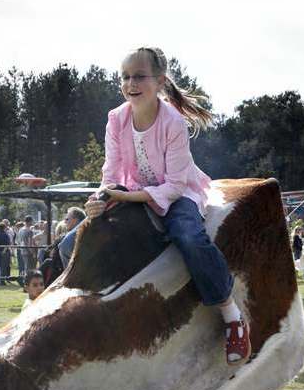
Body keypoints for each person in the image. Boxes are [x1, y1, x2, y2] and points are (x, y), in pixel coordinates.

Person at [85, 46, 249, 364]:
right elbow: (110, 174)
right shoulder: (115, 119)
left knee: (189, 236)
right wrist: (99, 199)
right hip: (131, 190)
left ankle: (231, 315)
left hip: (178, 193)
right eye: (125, 77)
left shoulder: (174, 122)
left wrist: (124, 198)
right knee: (74, 240)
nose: (131, 84)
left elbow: (174, 186)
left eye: (139, 77)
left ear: (160, 81)